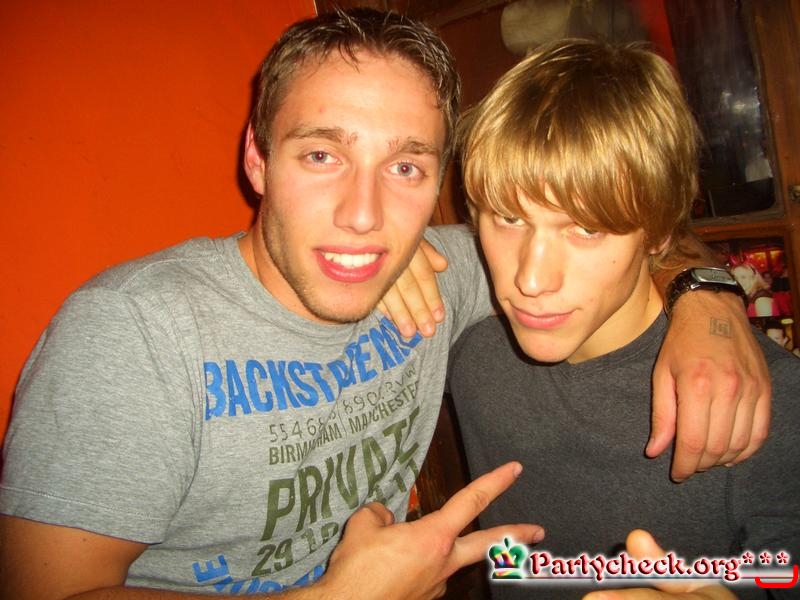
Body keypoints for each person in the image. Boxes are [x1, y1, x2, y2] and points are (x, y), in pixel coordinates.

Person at [0, 9, 770, 599]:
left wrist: (708, 298)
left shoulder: (463, 269)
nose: (363, 216)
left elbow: (623, 225)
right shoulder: (132, 334)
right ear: (257, 159)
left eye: (405, 167)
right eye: (322, 155)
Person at [446, 39, 800, 599]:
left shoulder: (762, 400)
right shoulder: (473, 357)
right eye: (508, 218)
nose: (531, 279)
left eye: (586, 228)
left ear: (658, 232)